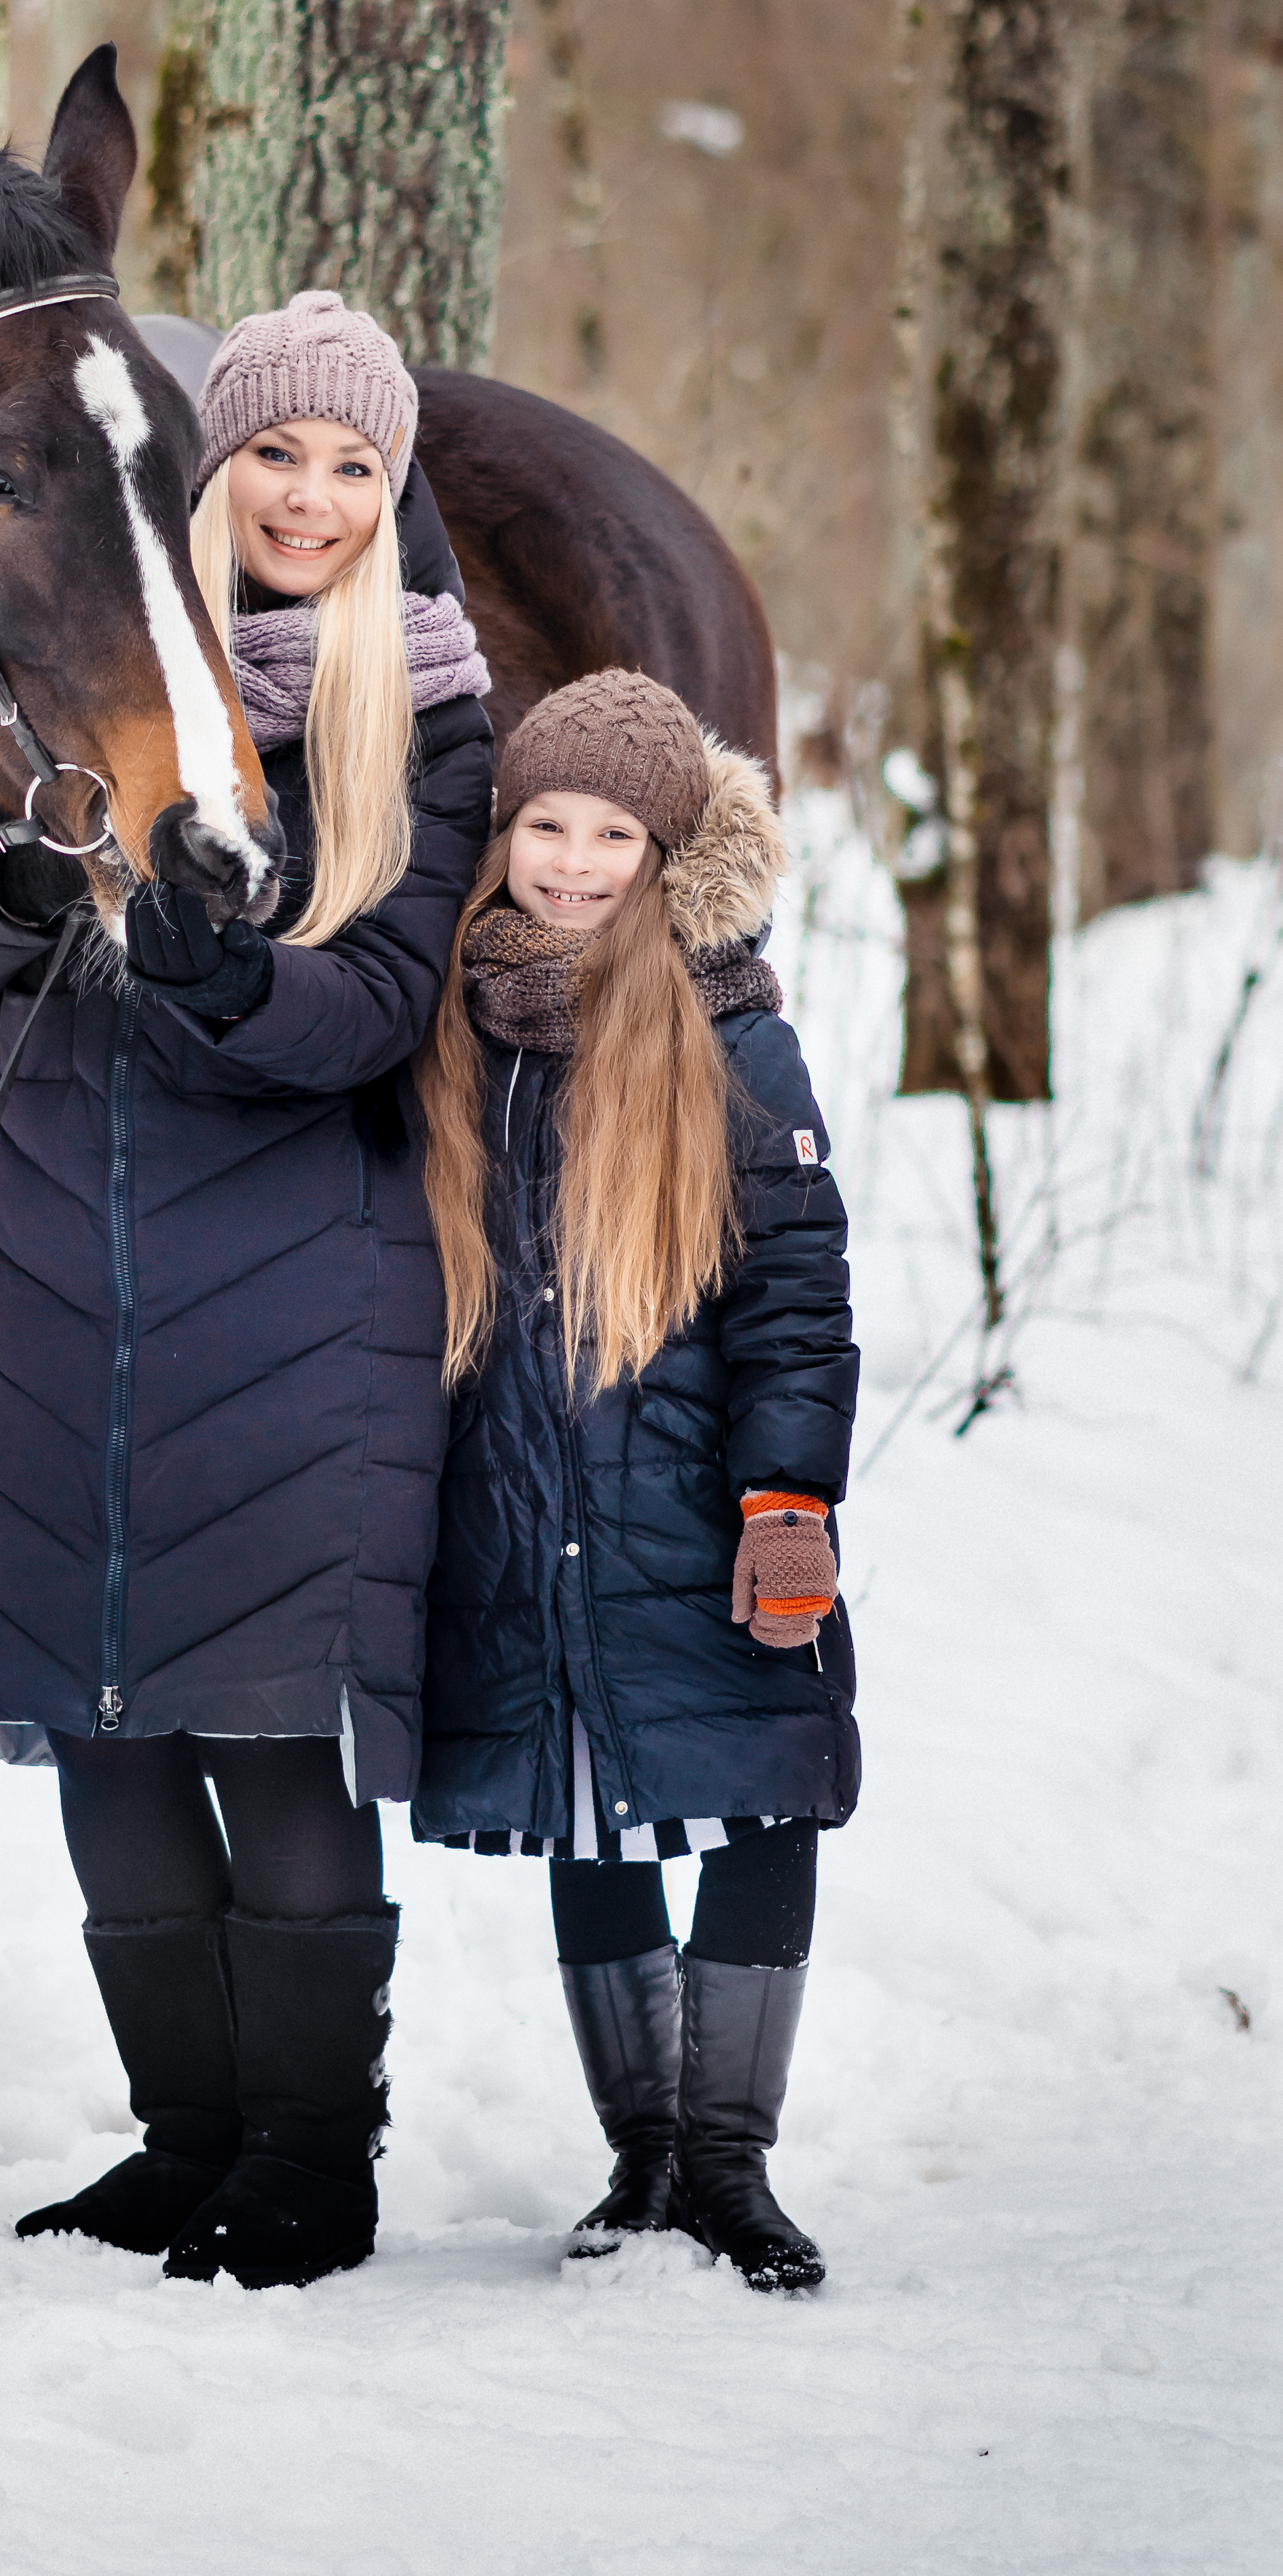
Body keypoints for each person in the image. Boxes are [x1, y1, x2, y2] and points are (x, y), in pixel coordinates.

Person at [0, 291, 494, 2289]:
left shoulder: (430, 716)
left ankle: (311, 2159)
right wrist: (17, 881)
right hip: (48, 1271)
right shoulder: (68, 663)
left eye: (351, 465)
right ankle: (185, 2137)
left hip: (298, 1288)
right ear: (201, 472)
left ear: (389, 493)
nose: (308, 496)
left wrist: (228, 980)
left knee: (267, 1729)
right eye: (272, 453)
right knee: (106, 1727)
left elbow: (374, 1010)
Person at [410, 671, 859, 2291]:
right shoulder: (457, 1032)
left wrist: (785, 1501)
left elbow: (795, 1297)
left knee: (757, 1791)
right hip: (523, 1514)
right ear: (503, 837)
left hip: (696, 1509)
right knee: (585, 1810)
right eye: (546, 825)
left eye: (615, 835)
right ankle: (645, 2153)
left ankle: (729, 2163)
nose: (575, 863)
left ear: (666, 855)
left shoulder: (735, 1037)